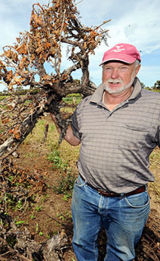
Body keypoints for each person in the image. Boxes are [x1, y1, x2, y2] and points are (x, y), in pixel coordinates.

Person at [65, 43, 160, 260]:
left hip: (128, 201)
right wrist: (52, 111)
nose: (114, 75)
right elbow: (74, 140)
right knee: (81, 243)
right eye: (108, 68)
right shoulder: (86, 105)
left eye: (123, 67)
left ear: (136, 69)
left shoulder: (156, 105)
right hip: (85, 193)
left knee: (120, 253)